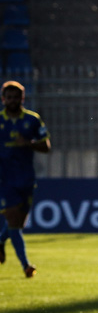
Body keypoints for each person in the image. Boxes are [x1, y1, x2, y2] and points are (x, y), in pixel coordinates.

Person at [0, 81, 51, 278]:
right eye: (9, 97)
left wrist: (28, 143)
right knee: (13, 219)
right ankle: (26, 265)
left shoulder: (32, 120)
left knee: (18, 224)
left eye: (16, 97)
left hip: (26, 178)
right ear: (3, 99)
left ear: (22, 99)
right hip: (4, 180)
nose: (12, 101)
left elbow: (46, 146)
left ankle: (1, 241)